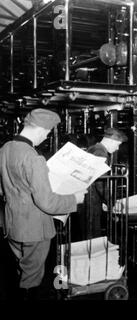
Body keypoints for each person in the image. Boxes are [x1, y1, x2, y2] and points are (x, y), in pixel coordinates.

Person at [0, 108, 86, 300]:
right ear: (39, 129)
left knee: (21, 269)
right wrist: (74, 199)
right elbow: (46, 202)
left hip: (12, 224)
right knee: (32, 277)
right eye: (47, 133)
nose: (45, 137)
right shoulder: (33, 158)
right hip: (34, 229)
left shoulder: (5, 149)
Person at [77, 128, 128, 240]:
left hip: (85, 197)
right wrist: (110, 202)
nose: (117, 148)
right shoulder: (101, 153)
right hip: (92, 200)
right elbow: (100, 181)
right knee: (93, 235)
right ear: (110, 141)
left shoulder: (93, 148)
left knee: (86, 233)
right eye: (117, 144)